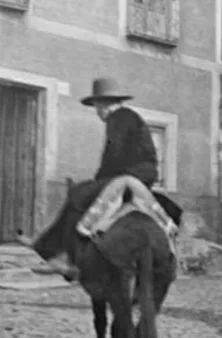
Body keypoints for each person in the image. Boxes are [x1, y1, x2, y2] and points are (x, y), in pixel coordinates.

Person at [19, 77, 159, 276]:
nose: (97, 112)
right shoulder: (128, 117)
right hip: (138, 176)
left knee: (79, 195)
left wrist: (98, 180)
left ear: (103, 105)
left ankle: (65, 257)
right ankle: (48, 247)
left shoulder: (119, 118)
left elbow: (114, 154)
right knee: (80, 194)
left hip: (132, 176)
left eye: (97, 107)